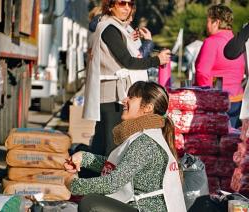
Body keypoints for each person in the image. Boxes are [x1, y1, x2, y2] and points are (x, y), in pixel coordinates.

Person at [65, 81, 186, 212]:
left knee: (90, 203)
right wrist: (84, 158)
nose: (124, 100)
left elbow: (112, 183)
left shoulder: (145, 142)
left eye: (131, 97)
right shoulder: (148, 134)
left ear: (148, 108)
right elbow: (121, 168)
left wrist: (72, 184)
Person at [83, 0, 171, 156]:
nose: (127, 8)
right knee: (112, 145)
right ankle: (105, 178)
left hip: (111, 93)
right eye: (121, 3)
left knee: (102, 143)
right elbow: (128, 61)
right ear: (110, 6)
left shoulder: (111, 27)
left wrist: (136, 40)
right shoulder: (110, 29)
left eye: (130, 4)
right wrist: (157, 60)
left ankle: (90, 175)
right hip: (113, 95)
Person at [195, 4, 245, 128]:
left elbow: (202, 72)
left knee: (213, 143)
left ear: (216, 22)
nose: (206, 25)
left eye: (208, 21)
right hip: (238, 100)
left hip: (217, 102)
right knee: (231, 140)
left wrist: (205, 100)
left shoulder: (211, 42)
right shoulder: (237, 41)